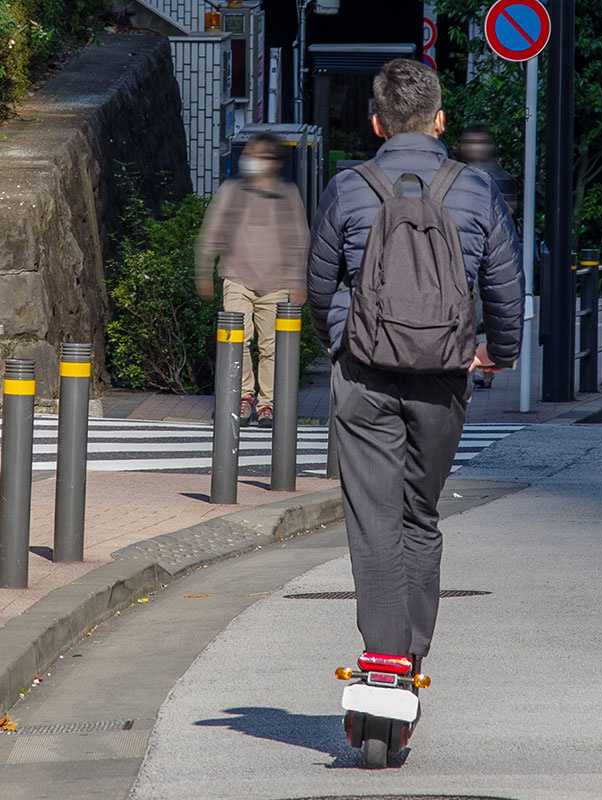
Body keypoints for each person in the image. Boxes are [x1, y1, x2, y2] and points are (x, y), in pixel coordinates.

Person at [307, 58, 523, 678]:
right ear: (440, 120)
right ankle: (412, 654)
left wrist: (341, 340)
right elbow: (505, 286)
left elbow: (318, 286)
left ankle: (383, 653)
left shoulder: (349, 186)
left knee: (373, 518)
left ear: (377, 123)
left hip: (364, 373)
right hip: (444, 374)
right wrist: (496, 351)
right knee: (419, 515)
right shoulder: (475, 189)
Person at [195, 131, 310, 428]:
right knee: (238, 339)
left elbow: (299, 239)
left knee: (271, 347)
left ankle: (267, 403)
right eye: (249, 154)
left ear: (274, 161)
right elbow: (212, 231)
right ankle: (243, 396)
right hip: (237, 277)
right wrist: (204, 271)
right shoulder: (231, 191)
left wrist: (299, 281)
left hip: (276, 283)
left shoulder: (287, 195)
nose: (251, 160)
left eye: (258, 155)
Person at [458, 124, 517, 389]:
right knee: (470, 308)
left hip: (491, 251)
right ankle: (474, 366)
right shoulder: (459, 175)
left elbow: (510, 211)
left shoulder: (500, 177)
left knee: (486, 308)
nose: (475, 148)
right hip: (471, 250)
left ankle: (486, 369)